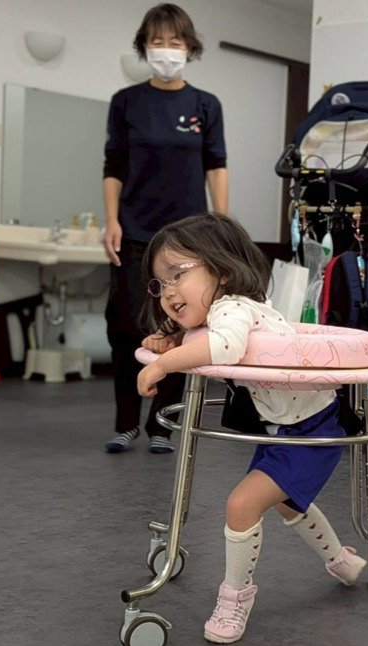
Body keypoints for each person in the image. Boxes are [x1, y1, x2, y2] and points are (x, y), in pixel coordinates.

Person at [136, 213, 367, 644]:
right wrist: (170, 339)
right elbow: (200, 336)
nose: (167, 291)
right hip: (286, 427)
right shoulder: (218, 311)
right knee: (288, 505)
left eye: (177, 275)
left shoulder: (235, 308)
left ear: (222, 270)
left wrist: (164, 363)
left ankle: (235, 598)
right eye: (160, 283)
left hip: (311, 432)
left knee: (241, 505)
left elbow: (225, 344)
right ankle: (340, 560)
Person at [102, 3, 228, 454]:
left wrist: (220, 226)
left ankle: (163, 424)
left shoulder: (205, 105)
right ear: (144, 47)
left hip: (188, 239)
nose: (166, 49)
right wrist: (111, 220)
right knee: (125, 325)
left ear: (189, 48)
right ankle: (125, 423)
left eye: (175, 42)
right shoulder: (127, 102)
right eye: (157, 41)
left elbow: (216, 166)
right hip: (134, 230)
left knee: (181, 324)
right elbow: (113, 166)